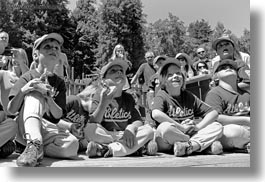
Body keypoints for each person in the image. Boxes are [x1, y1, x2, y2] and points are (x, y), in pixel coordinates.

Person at [7, 33, 78, 167]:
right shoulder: (28, 77)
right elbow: (10, 109)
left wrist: (48, 98)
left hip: (48, 128)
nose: (53, 49)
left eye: (57, 48)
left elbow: (58, 116)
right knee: (36, 91)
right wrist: (24, 90)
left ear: (59, 57)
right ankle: (34, 141)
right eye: (47, 47)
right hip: (26, 125)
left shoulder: (59, 83)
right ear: (35, 55)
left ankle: (35, 150)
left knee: (72, 145)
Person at [151, 58, 223, 157]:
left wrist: (198, 127)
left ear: (183, 77)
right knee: (165, 128)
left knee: (216, 126)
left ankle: (188, 147)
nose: (175, 76)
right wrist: (181, 127)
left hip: (188, 134)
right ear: (164, 80)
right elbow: (156, 114)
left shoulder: (188, 96)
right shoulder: (162, 95)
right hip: (168, 139)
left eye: (178, 73)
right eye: (170, 75)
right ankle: (199, 145)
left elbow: (213, 113)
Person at [84, 59, 156, 158]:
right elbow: (94, 121)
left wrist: (130, 128)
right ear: (104, 80)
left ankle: (105, 149)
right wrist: (103, 103)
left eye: (121, 71)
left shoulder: (128, 97)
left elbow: (138, 121)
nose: (119, 72)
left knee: (149, 131)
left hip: (125, 133)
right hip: (107, 134)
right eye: (113, 71)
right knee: (89, 129)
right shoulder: (99, 95)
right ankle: (136, 149)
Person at [205, 59, 250, 153]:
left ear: (238, 75)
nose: (228, 68)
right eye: (223, 68)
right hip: (228, 131)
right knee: (232, 132)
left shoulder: (246, 94)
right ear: (216, 75)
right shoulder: (214, 93)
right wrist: (245, 120)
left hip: (248, 130)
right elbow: (214, 118)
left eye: (232, 68)